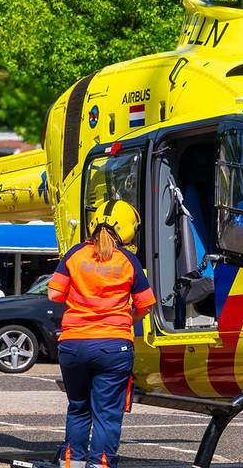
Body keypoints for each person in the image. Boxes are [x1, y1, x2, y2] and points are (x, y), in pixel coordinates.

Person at [48, 200, 155, 468]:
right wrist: (125, 320)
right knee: (107, 413)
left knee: (78, 408)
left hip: (73, 345)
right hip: (113, 346)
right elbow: (146, 303)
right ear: (129, 229)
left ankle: (71, 462)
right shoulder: (128, 260)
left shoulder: (74, 255)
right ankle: (101, 463)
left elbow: (54, 294)